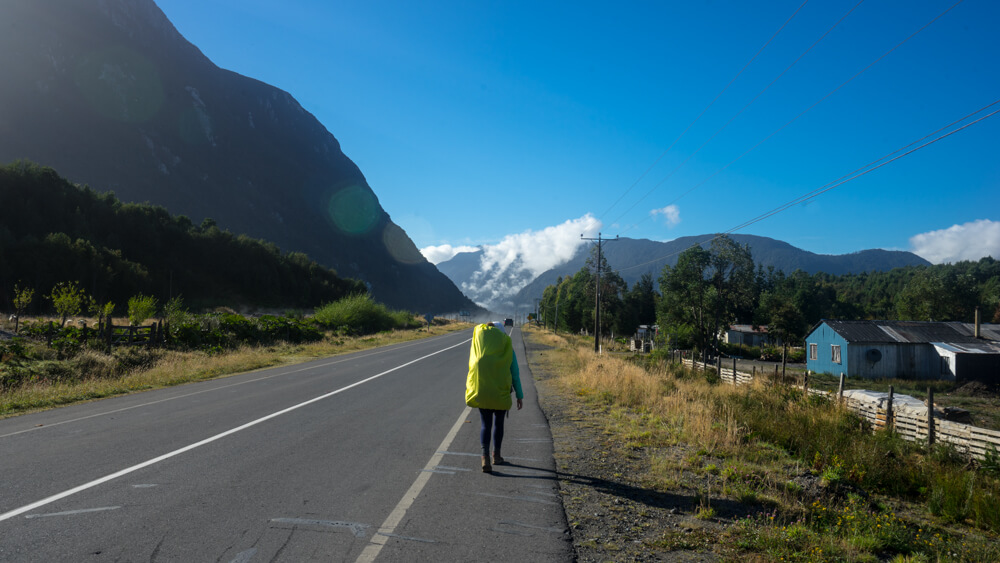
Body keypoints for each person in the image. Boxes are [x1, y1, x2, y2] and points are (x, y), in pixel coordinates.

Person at [465, 322, 523, 473]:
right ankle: (496, 456)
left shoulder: (479, 349)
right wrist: (519, 395)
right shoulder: (507, 348)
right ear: (501, 335)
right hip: (501, 393)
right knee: (498, 424)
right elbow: (515, 374)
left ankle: (484, 458)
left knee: (486, 425)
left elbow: (472, 369)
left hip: (482, 392)